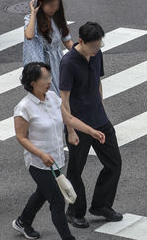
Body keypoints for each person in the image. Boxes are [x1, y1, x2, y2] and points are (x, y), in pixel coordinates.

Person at [12, 62, 105, 240]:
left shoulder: (53, 97)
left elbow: (68, 118)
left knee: (42, 193)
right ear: (33, 82)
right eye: (45, 78)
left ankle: (24, 221)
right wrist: (40, 154)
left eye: (49, 77)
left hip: (55, 158)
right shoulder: (24, 108)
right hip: (38, 163)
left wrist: (91, 131)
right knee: (57, 200)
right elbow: (21, 137)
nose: (49, 81)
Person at [60, 22, 123, 228]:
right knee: (76, 170)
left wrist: (102, 108)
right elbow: (64, 99)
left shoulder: (97, 54)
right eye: (93, 46)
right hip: (78, 123)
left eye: (99, 45)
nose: (97, 50)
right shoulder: (69, 62)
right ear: (81, 42)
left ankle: (101, 205)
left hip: (100, 120)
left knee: (114, 163)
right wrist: (70, 130)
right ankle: (74, 212)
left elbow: (97, 82)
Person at [23, 0, 73, 95]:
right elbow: (29, 35)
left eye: (56, 5)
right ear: (41, 3)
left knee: (62, 96)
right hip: (42, 67)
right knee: (47, 97)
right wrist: (34, 13)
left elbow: (67, 41)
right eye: (51, 6)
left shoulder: (58, 18)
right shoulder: (32, 20)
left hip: (58, 63)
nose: (54, 9)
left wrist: (81, 54)